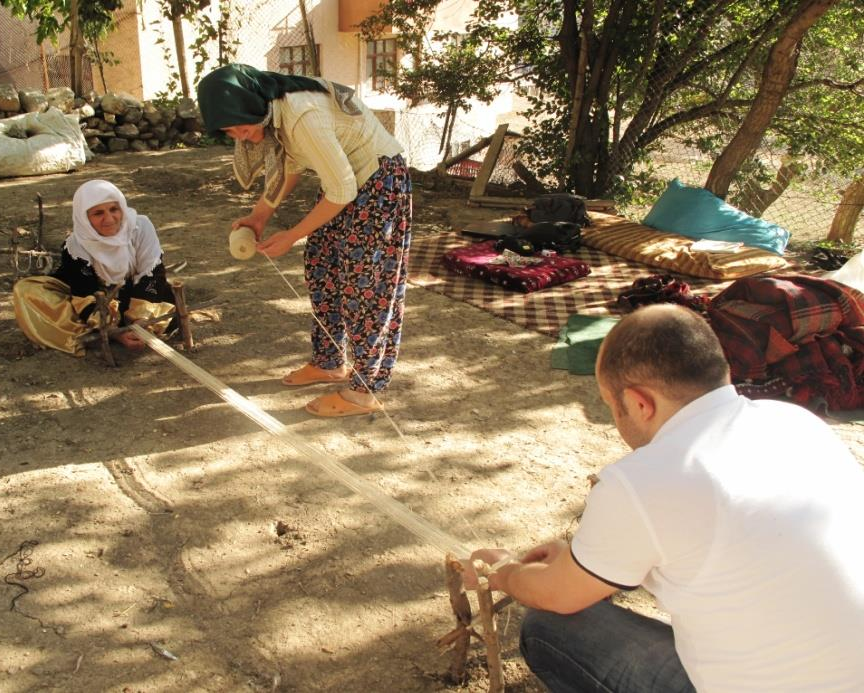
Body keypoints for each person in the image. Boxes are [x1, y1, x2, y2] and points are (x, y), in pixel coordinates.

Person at [463, 304, 864, 691]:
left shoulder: (645, 479)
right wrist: (577, 559)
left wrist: (508, 573)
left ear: (639, 403)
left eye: (612, 407)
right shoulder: (796, 421)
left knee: (548, 628)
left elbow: (557, 596)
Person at [197, 64, 411, 418]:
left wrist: (293, 235)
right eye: (229, 131)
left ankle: (364, 390)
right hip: (345, 184)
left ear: (252, 107)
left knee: (366, 287)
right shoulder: (275, 112)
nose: (239, 136)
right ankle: (329, 361)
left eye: (240, 126)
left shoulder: (301, 115)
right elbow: (292, 167)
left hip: (378, 182)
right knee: (322, 269)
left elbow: (342, 188)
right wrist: (259, 216)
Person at [13, 179, 177, 356]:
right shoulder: (76, 246)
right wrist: (114, 333)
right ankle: (101, 332)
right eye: (98, 213)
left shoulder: (141, 227)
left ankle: (121, 329)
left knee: (166, 299)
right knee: (26, 291)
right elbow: (83, 292)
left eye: (114, 209)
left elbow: (152, 274)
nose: (109, 219)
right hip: (97, 300)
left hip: (138, 294)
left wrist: (141, 320)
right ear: (84, 217)